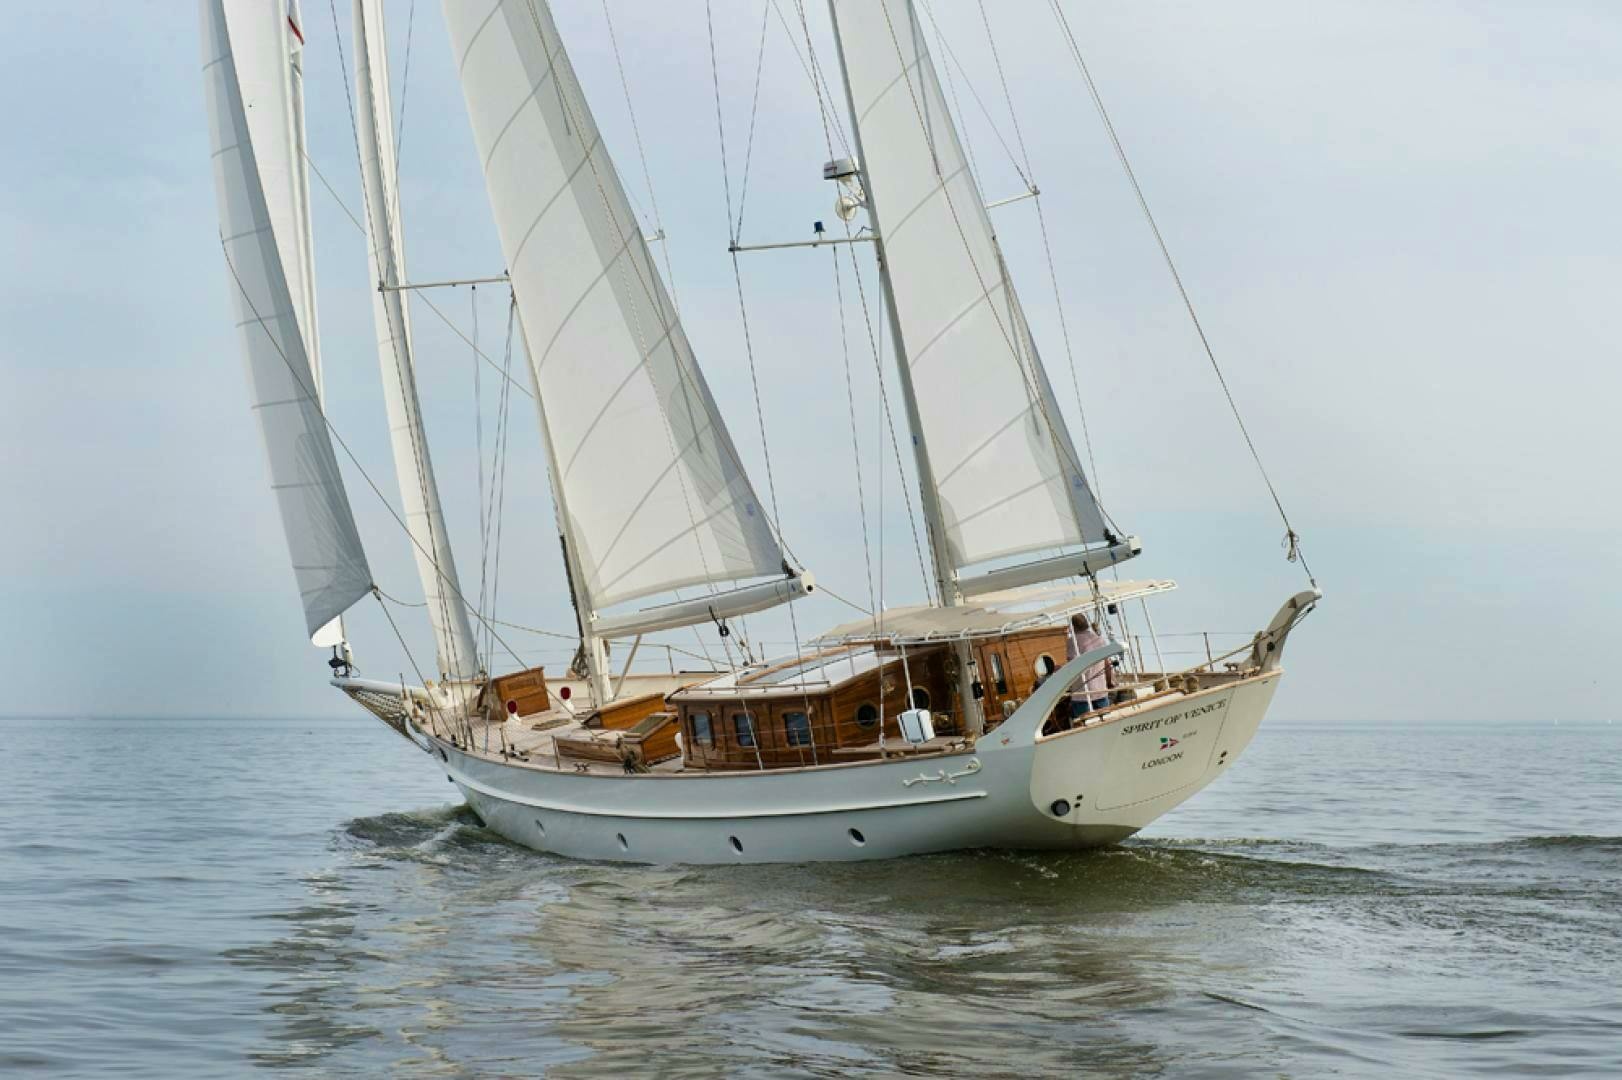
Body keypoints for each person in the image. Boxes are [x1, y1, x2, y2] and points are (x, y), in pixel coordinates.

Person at [1065, 614, 1113, 720]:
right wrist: (1109, 683)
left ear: (1073, 626)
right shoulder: (1099, 639)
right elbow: (1107, 665)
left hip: (1081, 695)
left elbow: (1071, 666)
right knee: (1106, 721)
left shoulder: (1071, 642)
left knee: (1083, 724)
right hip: (1100, 691)